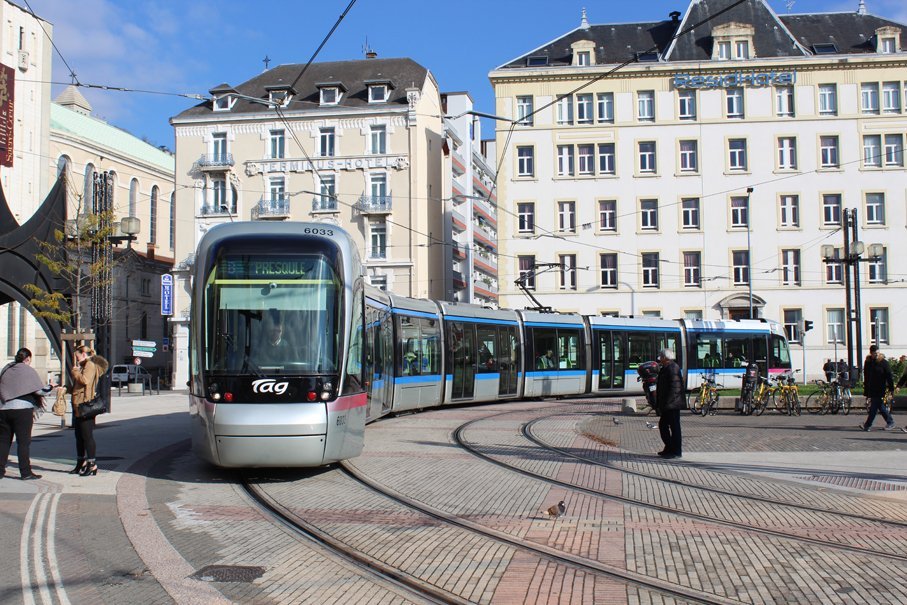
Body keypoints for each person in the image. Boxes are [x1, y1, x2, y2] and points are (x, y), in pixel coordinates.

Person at [0, 348, 56, 480]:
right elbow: (40, 391)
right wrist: (51, 386)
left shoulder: (6, 369)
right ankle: (25, 472)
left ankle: (0, 470)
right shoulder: (27, 370)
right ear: (28, 359)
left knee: (3, 441)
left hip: (3, 409)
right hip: (22, 411)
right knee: (23, 442)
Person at [69, 345, 109, 476]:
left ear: (84, 354)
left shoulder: (90, 365)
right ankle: (81, 462)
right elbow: (78, 386)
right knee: (79, 436)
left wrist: (75, 372)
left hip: (85, 406)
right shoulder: (83, 366)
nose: (76, 359)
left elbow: (85, 380)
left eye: (78, 356)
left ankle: (92, 464)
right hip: (78, 405)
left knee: (87, 436)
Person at [654, 348, 684, 459]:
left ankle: (676, 451)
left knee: (674, 427)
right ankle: (669, 447)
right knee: (664, 425)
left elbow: (675, 388)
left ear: (665, 358)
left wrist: (668, 403)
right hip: (669, 403)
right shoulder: (667, 367)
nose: (659, 359)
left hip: (672, 404)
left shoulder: (672, 368)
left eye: (661, 357)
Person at [859, 345, 896, 432]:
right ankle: (890, 422)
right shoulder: (868, 362)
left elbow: (889, 376)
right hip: (871, 388)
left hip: (880, 387)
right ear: (871, 353)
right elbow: (867, 376)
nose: (876, 355)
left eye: (877, 353)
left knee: (874, 407)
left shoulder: (884, 363)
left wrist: (891, 388)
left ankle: (867, 425)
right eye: (875, 353)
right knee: (879, 406)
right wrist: (866, 389)